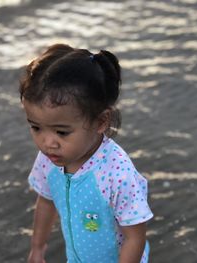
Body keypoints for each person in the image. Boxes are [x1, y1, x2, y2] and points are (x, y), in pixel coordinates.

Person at [19, 43, 154, 263]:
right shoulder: (49, 160)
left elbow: (135, 237)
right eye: (36, 127)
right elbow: (46, 200)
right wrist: (37, 247)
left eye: (62, 132)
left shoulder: (116, 173)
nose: (47, 143)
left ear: (101, 121)